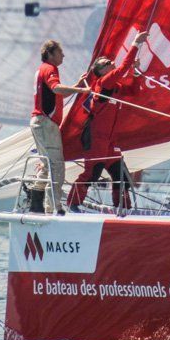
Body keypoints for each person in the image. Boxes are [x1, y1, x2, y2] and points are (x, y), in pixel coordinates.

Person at [65, 31, 147, 211]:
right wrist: (135, 44)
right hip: (96, 137)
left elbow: (134, 91)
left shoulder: (115, 87)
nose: (110, 62)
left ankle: (123, 208)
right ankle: (72, 204)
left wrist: (135, 72)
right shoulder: (104, 83)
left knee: (122, 176)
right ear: (100, 71)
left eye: (109, 61)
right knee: (92, 173)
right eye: (106, 63)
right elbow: (122, 68)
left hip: (110, 141)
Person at [31, 39, 86, 214]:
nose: (63, 55)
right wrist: (82, 91)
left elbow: (55, 93)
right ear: (50, 54)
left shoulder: (42, 69)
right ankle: (54, 208)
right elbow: (56, 89)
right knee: (56, 166)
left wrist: (76, 86)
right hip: (46, 124)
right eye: (60, 52)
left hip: (39, 123)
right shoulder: (50, 68)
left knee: (47, 165)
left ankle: (36, 205)